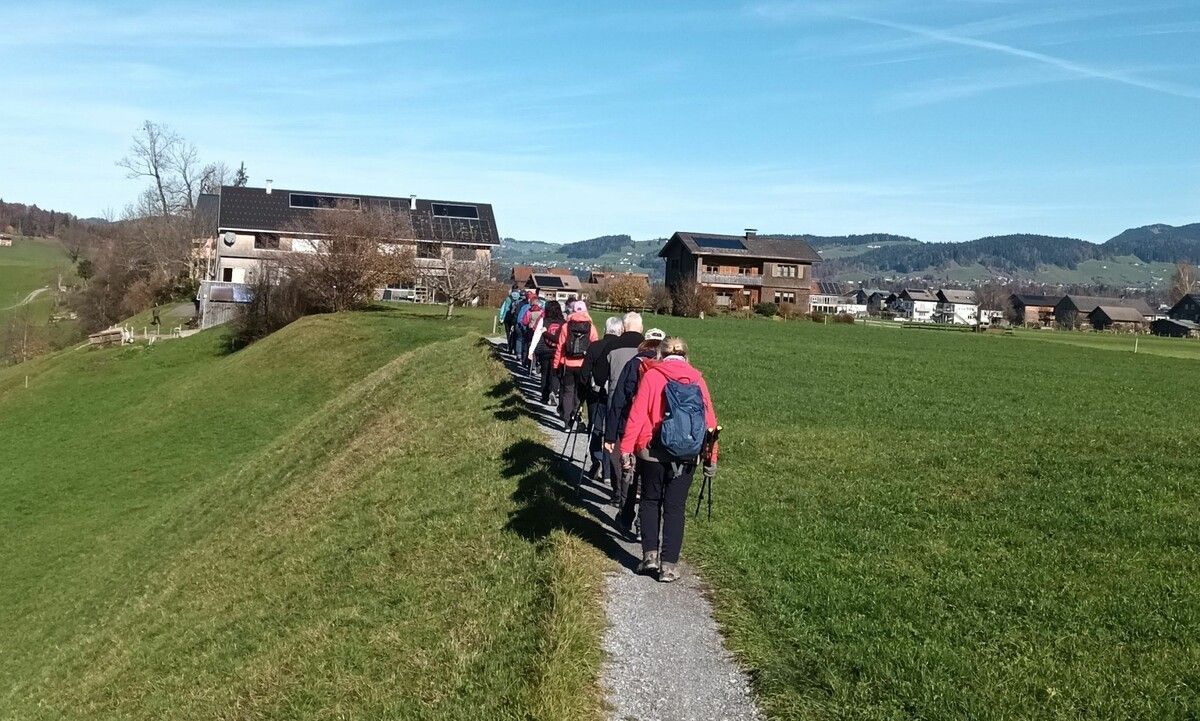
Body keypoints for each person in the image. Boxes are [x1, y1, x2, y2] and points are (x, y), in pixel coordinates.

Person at [620, 336, 717, 583]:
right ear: (686, 355)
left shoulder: (653, 375)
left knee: (651, 501)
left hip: (651, 452)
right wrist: (710, 457)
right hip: (686, 455)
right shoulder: (697, 379)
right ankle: (669, 566)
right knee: (675, 509)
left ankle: (649, 557)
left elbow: (637, 414)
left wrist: (626, 449)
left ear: (661, 355)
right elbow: (710, 422)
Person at [605, 328, 664, 537]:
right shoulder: (666, 367)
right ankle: (642, 523)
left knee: (630, 473)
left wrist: (610, 434)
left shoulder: (634, 363)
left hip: (631, 427)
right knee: (648, 480)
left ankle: (626, 515)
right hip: (657, 432)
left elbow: (619, 399)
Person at [579, 316, 625, 493]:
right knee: (610, 432)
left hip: (595, 395)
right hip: (614, 396)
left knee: (596, 428)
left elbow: (584, 373)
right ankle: (608, 471)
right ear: (620, 330)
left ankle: (597, 459)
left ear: (606, 329)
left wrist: (583, 393)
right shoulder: (621, 348)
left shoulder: (595, 346)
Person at [553, 300, 598, 429]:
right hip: (583, 365)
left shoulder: (566, 326)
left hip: (568, 363)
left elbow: (560, 347)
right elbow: (594, 347)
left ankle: (567, 423)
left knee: (568, 392)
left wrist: (556, 365)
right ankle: (575, 415)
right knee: (579, 393)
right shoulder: (591, 327)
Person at [530, 301, 565, 405]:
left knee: (545, 373)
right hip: (557, 350)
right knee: (555, 373)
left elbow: (536, 335)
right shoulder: (563, 322)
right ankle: (553, 391)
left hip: (544, 349)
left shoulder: (543, 320)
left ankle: (544, 397)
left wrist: (531, 350)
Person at [517, 296, 544, 372]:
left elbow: (524, 322)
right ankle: (537, 363)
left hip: (530, 331)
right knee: (537, 347)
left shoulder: (529, 311)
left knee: (528, 346)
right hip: (539, 331)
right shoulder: (542, 312)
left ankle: (528, 363)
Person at [511, 291, 536, 362]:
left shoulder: (525, 307)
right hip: (533, 329)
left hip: (523, 326)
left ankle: (519, 354)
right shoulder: (540, 309)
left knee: (520, 339)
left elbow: (519, 317)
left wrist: (521, 325)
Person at [499, 288, 521, 353]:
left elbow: (504, 308)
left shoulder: (508, 298)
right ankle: (514, 347)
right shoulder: (520, 298)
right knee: (515, 333)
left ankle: (509, 347)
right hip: (515, 318)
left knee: (508, 333)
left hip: (508, 318)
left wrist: (501, 318)